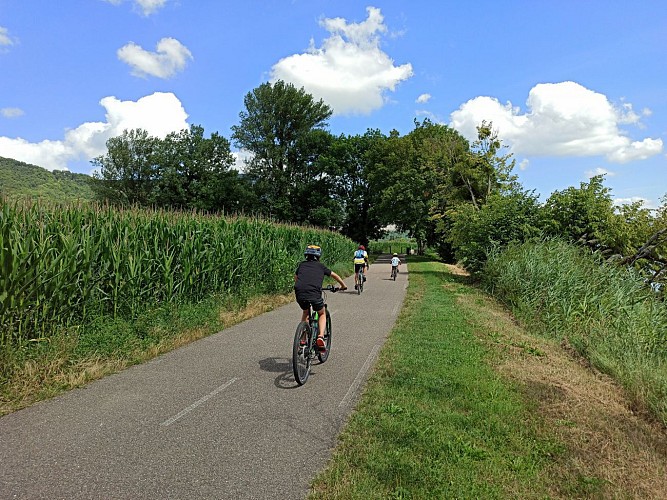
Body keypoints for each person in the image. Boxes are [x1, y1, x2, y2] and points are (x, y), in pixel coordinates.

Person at [294, 245, 347, 352]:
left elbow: (296, 278)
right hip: (314, 293)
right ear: (318, 257)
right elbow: (335, 275)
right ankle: (320, 337)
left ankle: (303, 340)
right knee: (322, 313)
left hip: (300, 292)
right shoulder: (321, 266)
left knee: (305, 312)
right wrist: (343, 286)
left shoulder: (301, 265)